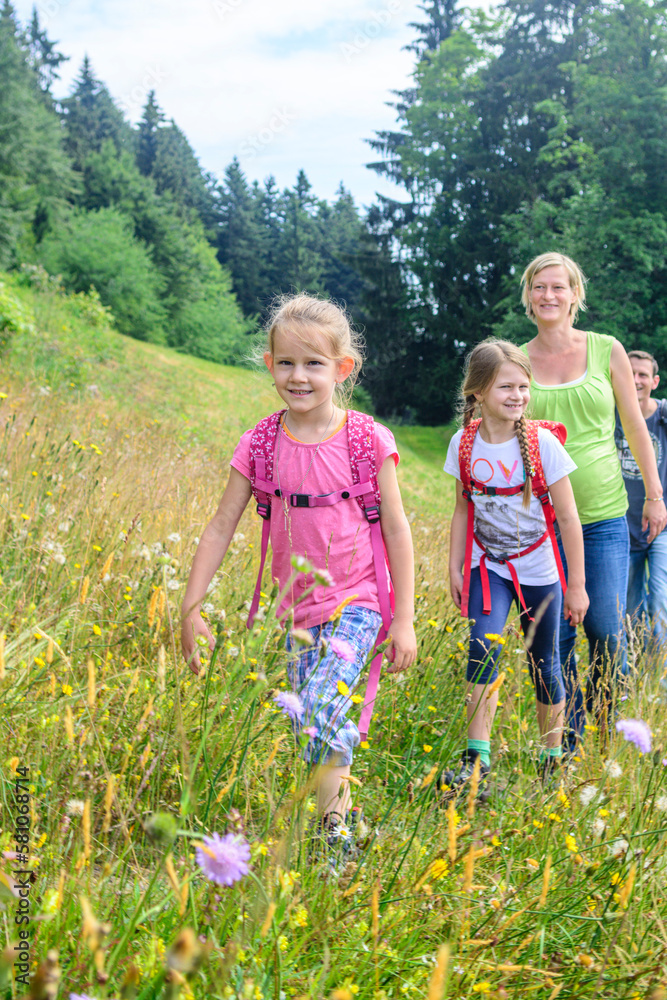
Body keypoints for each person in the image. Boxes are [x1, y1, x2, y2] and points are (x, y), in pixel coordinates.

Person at [181, 293, 417, 849]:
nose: (298, 376)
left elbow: (397, 528)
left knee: (320, 703)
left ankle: (333, 835)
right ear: (269, 364)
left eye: (314, 363)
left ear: (342, 368)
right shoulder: (260, 444)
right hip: (294, 613)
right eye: (286, 362)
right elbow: (220, 525)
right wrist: (189, 608)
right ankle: (342, 817)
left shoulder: (367, 440)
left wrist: (403, 619)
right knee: (310, 720)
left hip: (358, 602)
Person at [519, 252, 667, 751]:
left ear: (575, 294)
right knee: (554, 636)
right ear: (528, 295)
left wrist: (654, 494)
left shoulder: (606, 349)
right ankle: (568, 738)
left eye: (558, 286)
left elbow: (635, 426)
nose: (548, 295)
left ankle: (608, 723)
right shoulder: (517, 359)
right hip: (540, 522)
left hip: (603, 515)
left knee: (605, 627)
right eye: (539, 286)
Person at [445, 339, 588, 787]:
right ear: (479, 391)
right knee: (482, 648)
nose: (518, 396)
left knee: (544, 663)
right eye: (506, 387)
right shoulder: (463, 444)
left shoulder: (542, 444)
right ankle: (477, 761)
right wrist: (455, 566)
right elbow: (462, 509)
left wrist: (578, 585)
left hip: (539, 571)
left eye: (523, 387)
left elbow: (568, 518)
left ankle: (552, 759)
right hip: (488, 568)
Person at [614, 350, 667, 657]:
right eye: (630, 373)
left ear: (654, 381)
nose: (635, 380)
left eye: (643, 375)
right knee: (630, 607)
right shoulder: (609, 417)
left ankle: (660, 672)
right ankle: (638, 666)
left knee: (660, 597)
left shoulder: (663, 415)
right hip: (623, 526)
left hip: (662, 525)